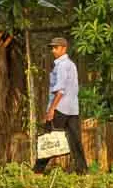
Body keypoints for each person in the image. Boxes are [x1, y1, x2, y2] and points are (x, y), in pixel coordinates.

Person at [33, 37, 86, 175]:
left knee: (48, 139)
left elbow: (60, 90)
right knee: (75, 140)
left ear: (64, 48)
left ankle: (37, 171)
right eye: (52, 48)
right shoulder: (71, 64)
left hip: (60, 108)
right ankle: (82, 171)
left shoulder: (61, 66)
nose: (53, 50)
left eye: (56, 48)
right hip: (72, 109)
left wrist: (51, 110)